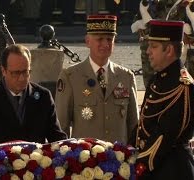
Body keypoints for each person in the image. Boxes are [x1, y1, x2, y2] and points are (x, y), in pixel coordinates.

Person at [55, 15, 139, 144]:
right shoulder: (71, 76)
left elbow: (134, 125)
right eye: (100, 39)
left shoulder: (125, 77)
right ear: (88, 41)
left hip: (119, 159)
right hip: (84, 159)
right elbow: (61, 125)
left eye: (109, 39)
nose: (105, 44)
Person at [129, 20, 194, 179]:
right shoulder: (158, 79)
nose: (148, 51)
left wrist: (139, 164)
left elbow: (165, 135)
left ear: (169, 50)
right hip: (154, 168)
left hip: (171, 170)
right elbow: (144, 125)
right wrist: (126, 150)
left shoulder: (183, 86)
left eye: (154, 46)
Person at [0, 44, 67, 146]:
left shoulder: (43, 96)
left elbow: (57, 137)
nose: (22, 78)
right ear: (3, 71)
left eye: (25, 72)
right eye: (15, 73)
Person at [131, 0, 194, 87]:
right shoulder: (155, 3)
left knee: (184, 85)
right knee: (152, 83)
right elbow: (138, 22)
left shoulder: (185, 4)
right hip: (153, 49)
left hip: (182, 52)